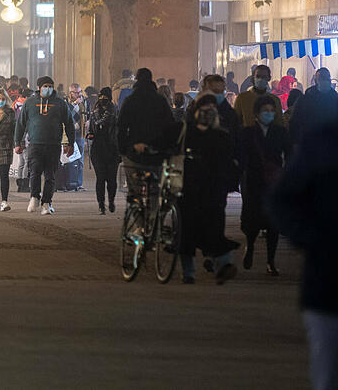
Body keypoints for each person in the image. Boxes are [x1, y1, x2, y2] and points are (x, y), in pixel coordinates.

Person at [271, 116, 338, 390]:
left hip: (324, 279)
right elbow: (282, 199)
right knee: (329, 372)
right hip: (328, 282)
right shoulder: (324, 142)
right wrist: (313, 238)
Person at [169, 92, 240, 285]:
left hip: (213, 190)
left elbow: (230, 161)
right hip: (188, 189)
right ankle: (188, 271)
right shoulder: (185, 131)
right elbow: (164, 142)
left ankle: (223, 266)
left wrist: (228, 181)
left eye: (212, 108)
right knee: (187, 230)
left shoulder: (221, 135)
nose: (208, 112)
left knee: (214, 228)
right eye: (204, 108)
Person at [237, 96, 290, 277]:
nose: (269, 114)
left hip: (273, 182)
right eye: (265, 111)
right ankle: (250, 245)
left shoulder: (280, 132)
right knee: (252, 220)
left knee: (273, 222)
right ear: (257, 113)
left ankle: (270, 261)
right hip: (253, 181)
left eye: (271, 110)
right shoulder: (247, 133)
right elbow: (241, 156)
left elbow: (288, 153)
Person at [14, 76, 74, 215]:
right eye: (45, 86)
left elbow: (69, 124)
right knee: (34, 172)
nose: (48, 88)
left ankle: (47, 202)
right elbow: (20, 124)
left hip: (53, 145)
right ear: (39, 87)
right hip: (35, 144)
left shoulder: (60, 104)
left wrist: (70, 143)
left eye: (50, 86)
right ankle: (34, 197)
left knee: (50, 176)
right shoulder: (30, 103)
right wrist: (17, 142)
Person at [117, 68, 175, 203]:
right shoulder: (160, 101)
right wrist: (167, 147)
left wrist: (123, 149)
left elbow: (121, 126)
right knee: (154, 189)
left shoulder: (130, 100)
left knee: (134, 189)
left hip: (134, 150)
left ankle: (137, 212)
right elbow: (170, 125)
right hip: (156, 151)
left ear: (136, 80)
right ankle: (153, 213)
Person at [87, 87, 120, 214]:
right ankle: (101, 205)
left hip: (112, 149)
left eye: (105, 98)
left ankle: (111, 201)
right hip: (98, 149)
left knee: (111, 179)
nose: (102, 100)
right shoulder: (95, 112)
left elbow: (119, 130)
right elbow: (91, 128)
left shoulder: (115, 112)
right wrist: (90, 134)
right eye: (100, 97)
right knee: (100, 178)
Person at [289, 67, 338, 148]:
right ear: (316, 81)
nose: (325, 80)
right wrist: (296, 142)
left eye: (327, 78)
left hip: (330, 143)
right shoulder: (305, 99)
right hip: (309, 142)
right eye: (322, 78)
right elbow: (295, 121)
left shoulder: (335, 99)